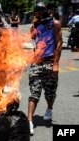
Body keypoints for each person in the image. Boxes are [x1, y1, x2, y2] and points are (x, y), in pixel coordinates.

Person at [28, 2, 62, 135]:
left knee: (50, 92)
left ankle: (49, 108)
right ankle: (29, 121)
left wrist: (56, 64)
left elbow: (59, 43)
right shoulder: (37, 24)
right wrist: (34, 25)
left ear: (44, 11)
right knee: (34, 93)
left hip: (50, 61)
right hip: (36, 62)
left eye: (39, 12)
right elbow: (33, 37)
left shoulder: (55, 23)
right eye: (36, 13)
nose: (37, 15)